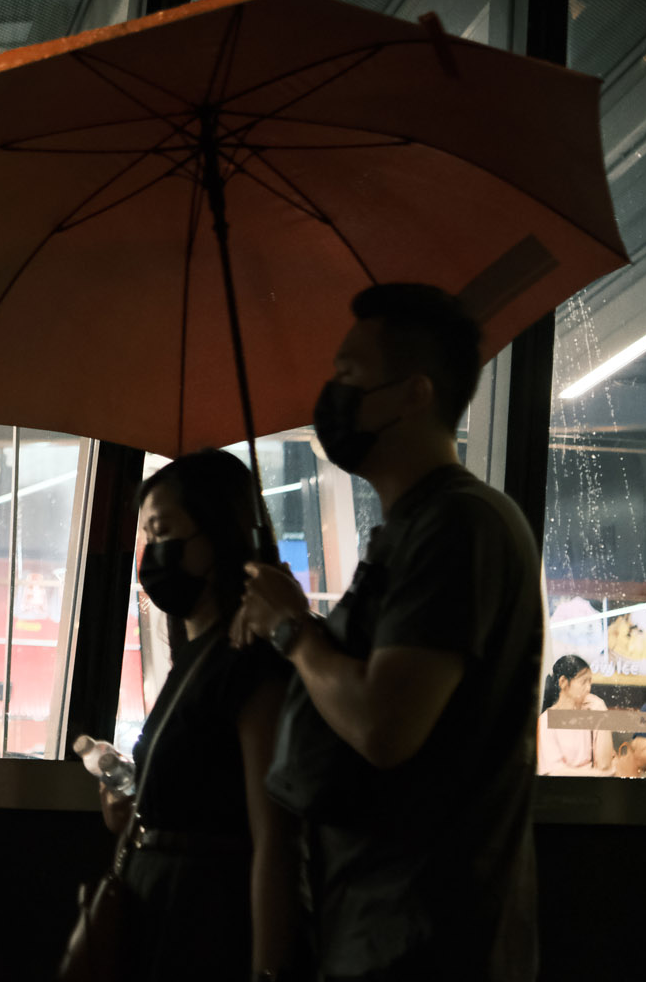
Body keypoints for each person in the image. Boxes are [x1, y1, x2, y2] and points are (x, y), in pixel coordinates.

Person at [232, 283, 541, 982]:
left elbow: (384, 724)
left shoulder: (457, 526)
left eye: (349, 376)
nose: (331, 394)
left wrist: (292, 629)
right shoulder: (413, 531)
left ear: (413, 394)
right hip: (378, 927)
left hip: (423, 941)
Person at [101, 449, 308, 981]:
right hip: (166, 922)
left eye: (165, 532)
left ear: (218, 532)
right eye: (147, 536)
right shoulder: (195, 659)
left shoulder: (248, 661)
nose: (152, 554)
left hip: (207, 932)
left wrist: (269, 972)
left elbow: (275, 842)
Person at [536, 654, 614, 776]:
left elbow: (605, 765)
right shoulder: (546, 720)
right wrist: (596, 774)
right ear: (563, 682)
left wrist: (602, 711)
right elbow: (555, 771)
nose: (588, 688)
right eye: (583, 682)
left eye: (590, 682)